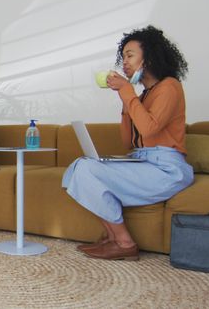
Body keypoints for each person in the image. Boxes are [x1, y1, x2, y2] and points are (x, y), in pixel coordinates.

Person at [62, 25, 194, 260]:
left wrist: (127, 93)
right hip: (143, 161)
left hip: (166, 169)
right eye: (123, 57)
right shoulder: (142, 95)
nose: (124, 62)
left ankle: (124, 242)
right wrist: (126, 104)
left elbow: (149, 128)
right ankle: (112, 238)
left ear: (150, 57)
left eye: (130, 55)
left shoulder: (170, 87)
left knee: (87, 169)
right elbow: (127, 142)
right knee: (78, 167)